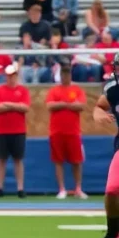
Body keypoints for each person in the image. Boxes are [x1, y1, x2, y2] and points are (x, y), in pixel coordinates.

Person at [45, 64, 87, 200]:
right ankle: (61, 189)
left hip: (73, 131)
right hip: (56, 131)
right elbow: (50, 105)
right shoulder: (54, 90)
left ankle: (78, 188)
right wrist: (67, 103)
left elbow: (80, 105)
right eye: (63, 74)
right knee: (58, 161)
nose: (65, 76)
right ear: (60, 75)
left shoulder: (77, 89)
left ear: (70, 75)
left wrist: (62, 104)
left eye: (67, 74)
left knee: (77, 161)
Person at [91, 57, 119, 238]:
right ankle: (112, 232)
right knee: (111, 190)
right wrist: (98, 113)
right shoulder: (113, 88)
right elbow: (99, 105)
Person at [0, 64, 30, 198]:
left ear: (16, 76)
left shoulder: (23, 90)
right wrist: (15, 106)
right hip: (2, 130)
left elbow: (25, 107)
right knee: (1, 159)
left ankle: (20, 188)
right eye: (8, 76)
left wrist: (7, 104)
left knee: (18, 159)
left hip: (18, 130)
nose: (10, 78)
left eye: (13, 75)